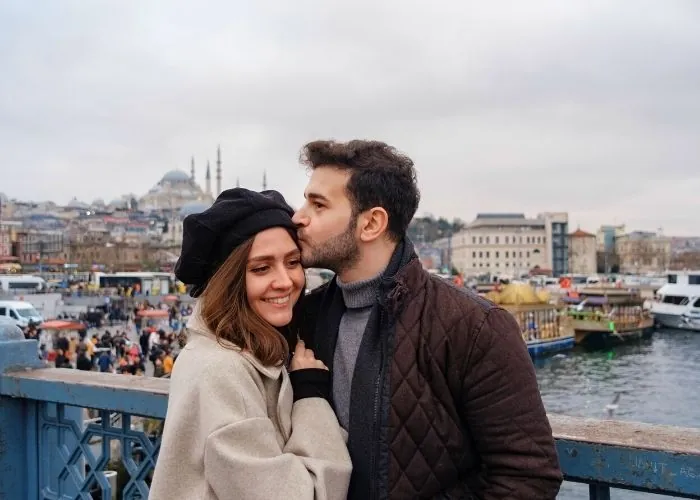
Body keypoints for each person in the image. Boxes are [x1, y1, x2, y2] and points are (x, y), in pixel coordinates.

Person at [292, 140, 563, 499]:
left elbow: (528, 475)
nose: (298, 217)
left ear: (371, 223)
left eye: (318, 205)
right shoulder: (305, 317)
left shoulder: (473, 325)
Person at [149, 188, 351, 500]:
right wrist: (311, 397)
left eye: (293, 262)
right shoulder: (222, 371)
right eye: (261, 268)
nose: (285, 281)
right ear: (229, 280)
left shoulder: (234, 348)